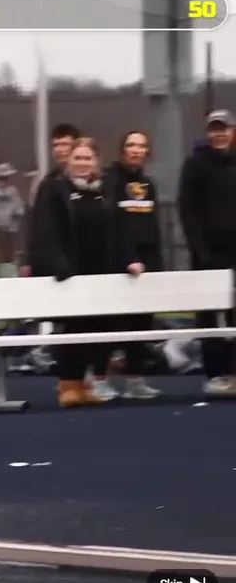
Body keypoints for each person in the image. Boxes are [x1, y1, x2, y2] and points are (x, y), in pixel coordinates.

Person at [30, 137, 119, 407]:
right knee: (74, 329)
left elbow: (118, 228)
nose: (82, 163)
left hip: (101, 271)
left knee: (97, 329)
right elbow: (45, 229)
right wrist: (60, 266)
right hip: (68, 272)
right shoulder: (54, 188)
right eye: (77, 158)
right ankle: (68, 384)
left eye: (87, 158)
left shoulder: (106, 190)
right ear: (68, 160)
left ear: (97, 162)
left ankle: (86, 384)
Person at [100, 130, 165, 400]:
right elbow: (112, 225)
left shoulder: (149, 184)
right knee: (113, 325)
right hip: (119, 263)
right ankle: (101, 380)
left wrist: (156, 264)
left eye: (141, 146)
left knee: (142, 323)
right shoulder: (111, 181)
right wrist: (128, 259)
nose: (136, 150)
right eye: (131, 145)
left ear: (147, 152)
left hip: (146, 264)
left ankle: (136, 381)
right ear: (123, 150)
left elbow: (152, 226)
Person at [178, 109, 236, 396]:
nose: (219, 134)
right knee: (210, 316)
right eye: (214, 129)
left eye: (224, 128)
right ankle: (216, 374)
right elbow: (187, 210)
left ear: (233, 131)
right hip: (209, 254)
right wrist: (200, 251)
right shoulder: (195, 164)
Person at [21, 123, 81, 277]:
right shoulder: (47, 184)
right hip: (55, 266)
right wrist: (27, 260)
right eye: (55, 145)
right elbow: (35, 224)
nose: (59, 149)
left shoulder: (95, 182)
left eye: (64, 144)